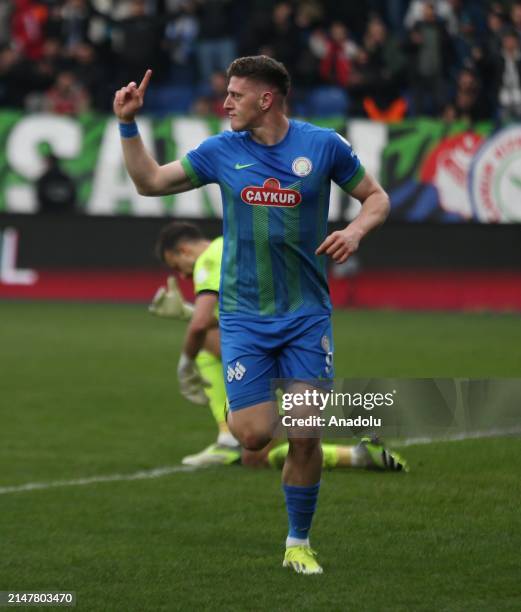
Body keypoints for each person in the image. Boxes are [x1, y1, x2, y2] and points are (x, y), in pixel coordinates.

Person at [113, 55, 390, 575]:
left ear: (266, 99)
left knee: (304, 431)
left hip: (306, 313)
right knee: (254, 437)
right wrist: (127, 123)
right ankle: (305, 422)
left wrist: (354, 230)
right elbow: (149, 182)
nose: (225, 103)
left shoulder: (323, 145)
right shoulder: (222, 151)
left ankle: (298, 542)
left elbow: (376, 198)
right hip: (243, 316)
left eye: (235, 94)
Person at [151, 221, 408, 474]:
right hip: (285, 343)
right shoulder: (232, 246)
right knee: (262, 456)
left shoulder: (208, 259)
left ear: (183, 250)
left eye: (178, 267)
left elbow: (202, 325)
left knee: (202, 348)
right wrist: (188, 312)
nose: (183, 275)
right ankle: (357, 455)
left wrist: (185, 363)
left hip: (266, 353)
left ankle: (228, 439)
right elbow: (228, 322)